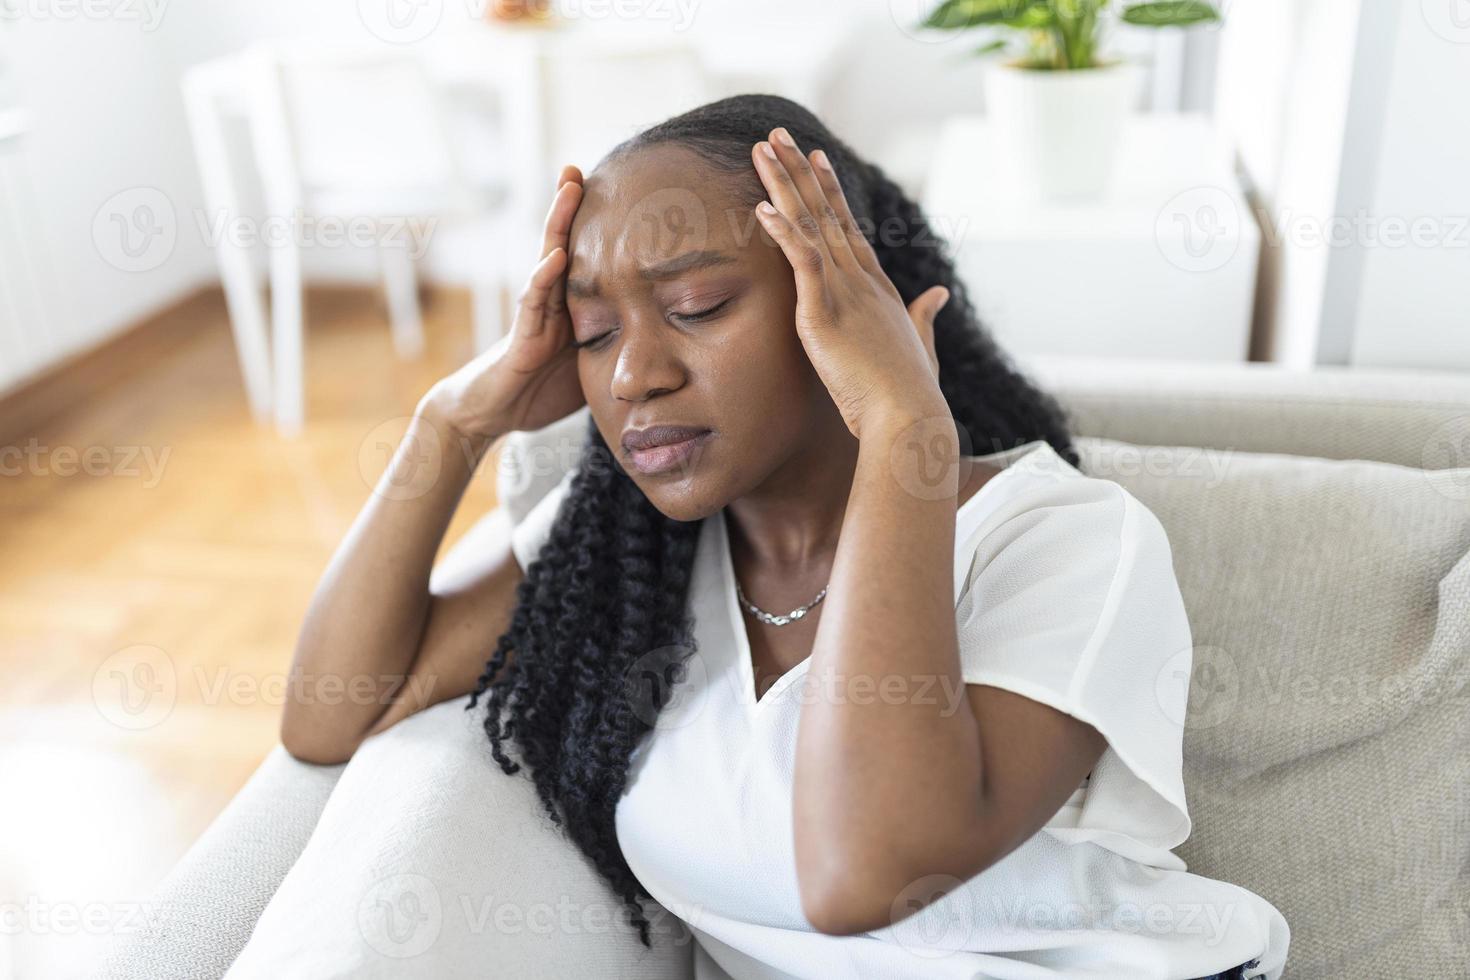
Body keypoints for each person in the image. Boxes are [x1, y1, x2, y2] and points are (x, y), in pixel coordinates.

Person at [279, 94, 1289, 979]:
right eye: (593, 333)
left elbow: (862, 871)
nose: (633, 374)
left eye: (695, 304)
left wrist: (906, 429)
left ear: (863, 308)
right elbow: (327, 712)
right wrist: (452, 421)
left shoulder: (1067, 543)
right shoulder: (624, 563)